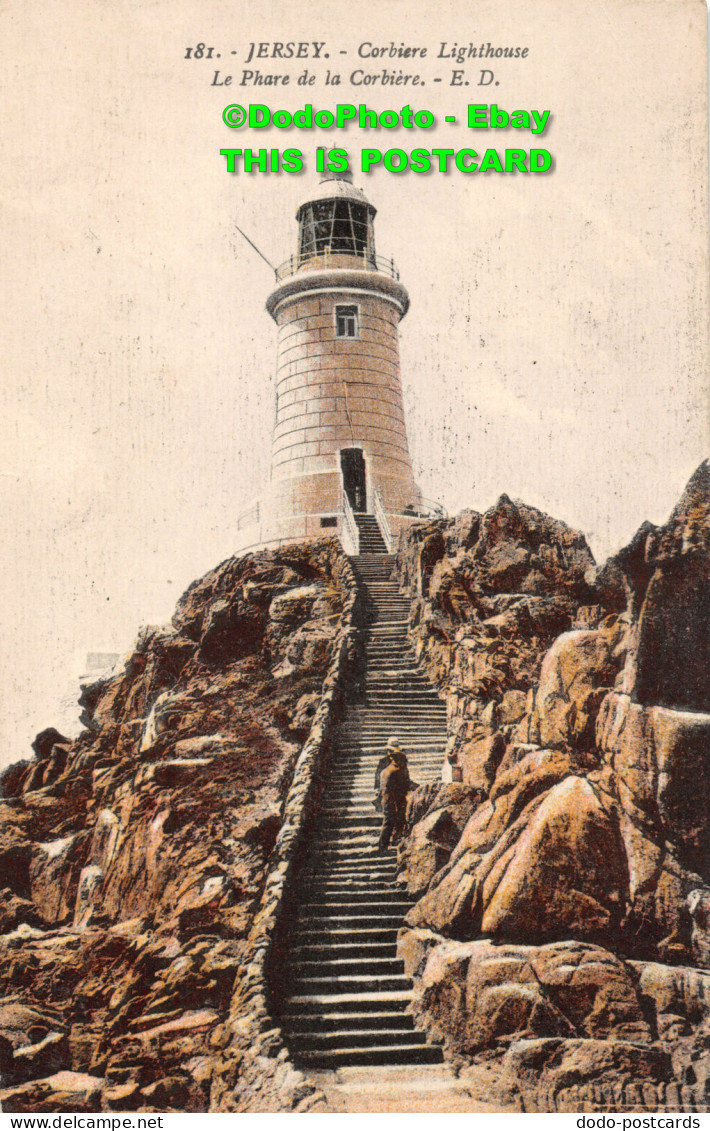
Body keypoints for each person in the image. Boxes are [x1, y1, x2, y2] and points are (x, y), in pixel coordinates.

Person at [375, 736, 411, 851]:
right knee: (389, 819)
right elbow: (379, 779)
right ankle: (382, 845)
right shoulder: (384, 764)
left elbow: (406, 779)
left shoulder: (402, 763)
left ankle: (396, 839)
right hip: (388, 794)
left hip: (399, 794)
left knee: (400, 817)